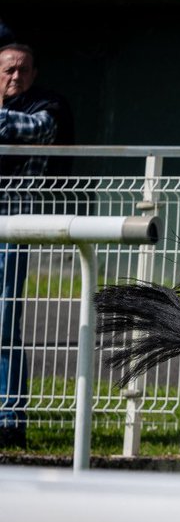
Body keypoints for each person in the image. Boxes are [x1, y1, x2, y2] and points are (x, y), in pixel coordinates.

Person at [0, 44, 74, 449]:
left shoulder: (46, 106)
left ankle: (9, 417)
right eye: (9, 69)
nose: (16, 76)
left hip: (12, 229)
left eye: (24, 70)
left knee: (4, 323)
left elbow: (30, 130)